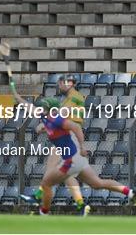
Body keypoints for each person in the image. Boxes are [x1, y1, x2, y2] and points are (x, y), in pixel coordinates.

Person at [12, 91, 136, 216]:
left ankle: (42, 212)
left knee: (46, 183)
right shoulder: (45, 117)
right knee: (97, 184)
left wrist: (82, 146)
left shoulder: (57, 120)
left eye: (44, 108)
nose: (41, 109)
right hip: (76, 160)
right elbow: (31, 108)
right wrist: (18, 98)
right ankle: (131, 193)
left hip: (71, 160)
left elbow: (76, 127)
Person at [21, 74, 89, 215]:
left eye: (61, 83)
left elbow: (62, 114)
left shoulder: (74, 96)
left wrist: (43, 123)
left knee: (52, 168)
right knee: (66, 175)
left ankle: (39, 199)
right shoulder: (70, 98)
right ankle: (81, 205)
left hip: (67, 135)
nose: (59, 86)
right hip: (64, 134)